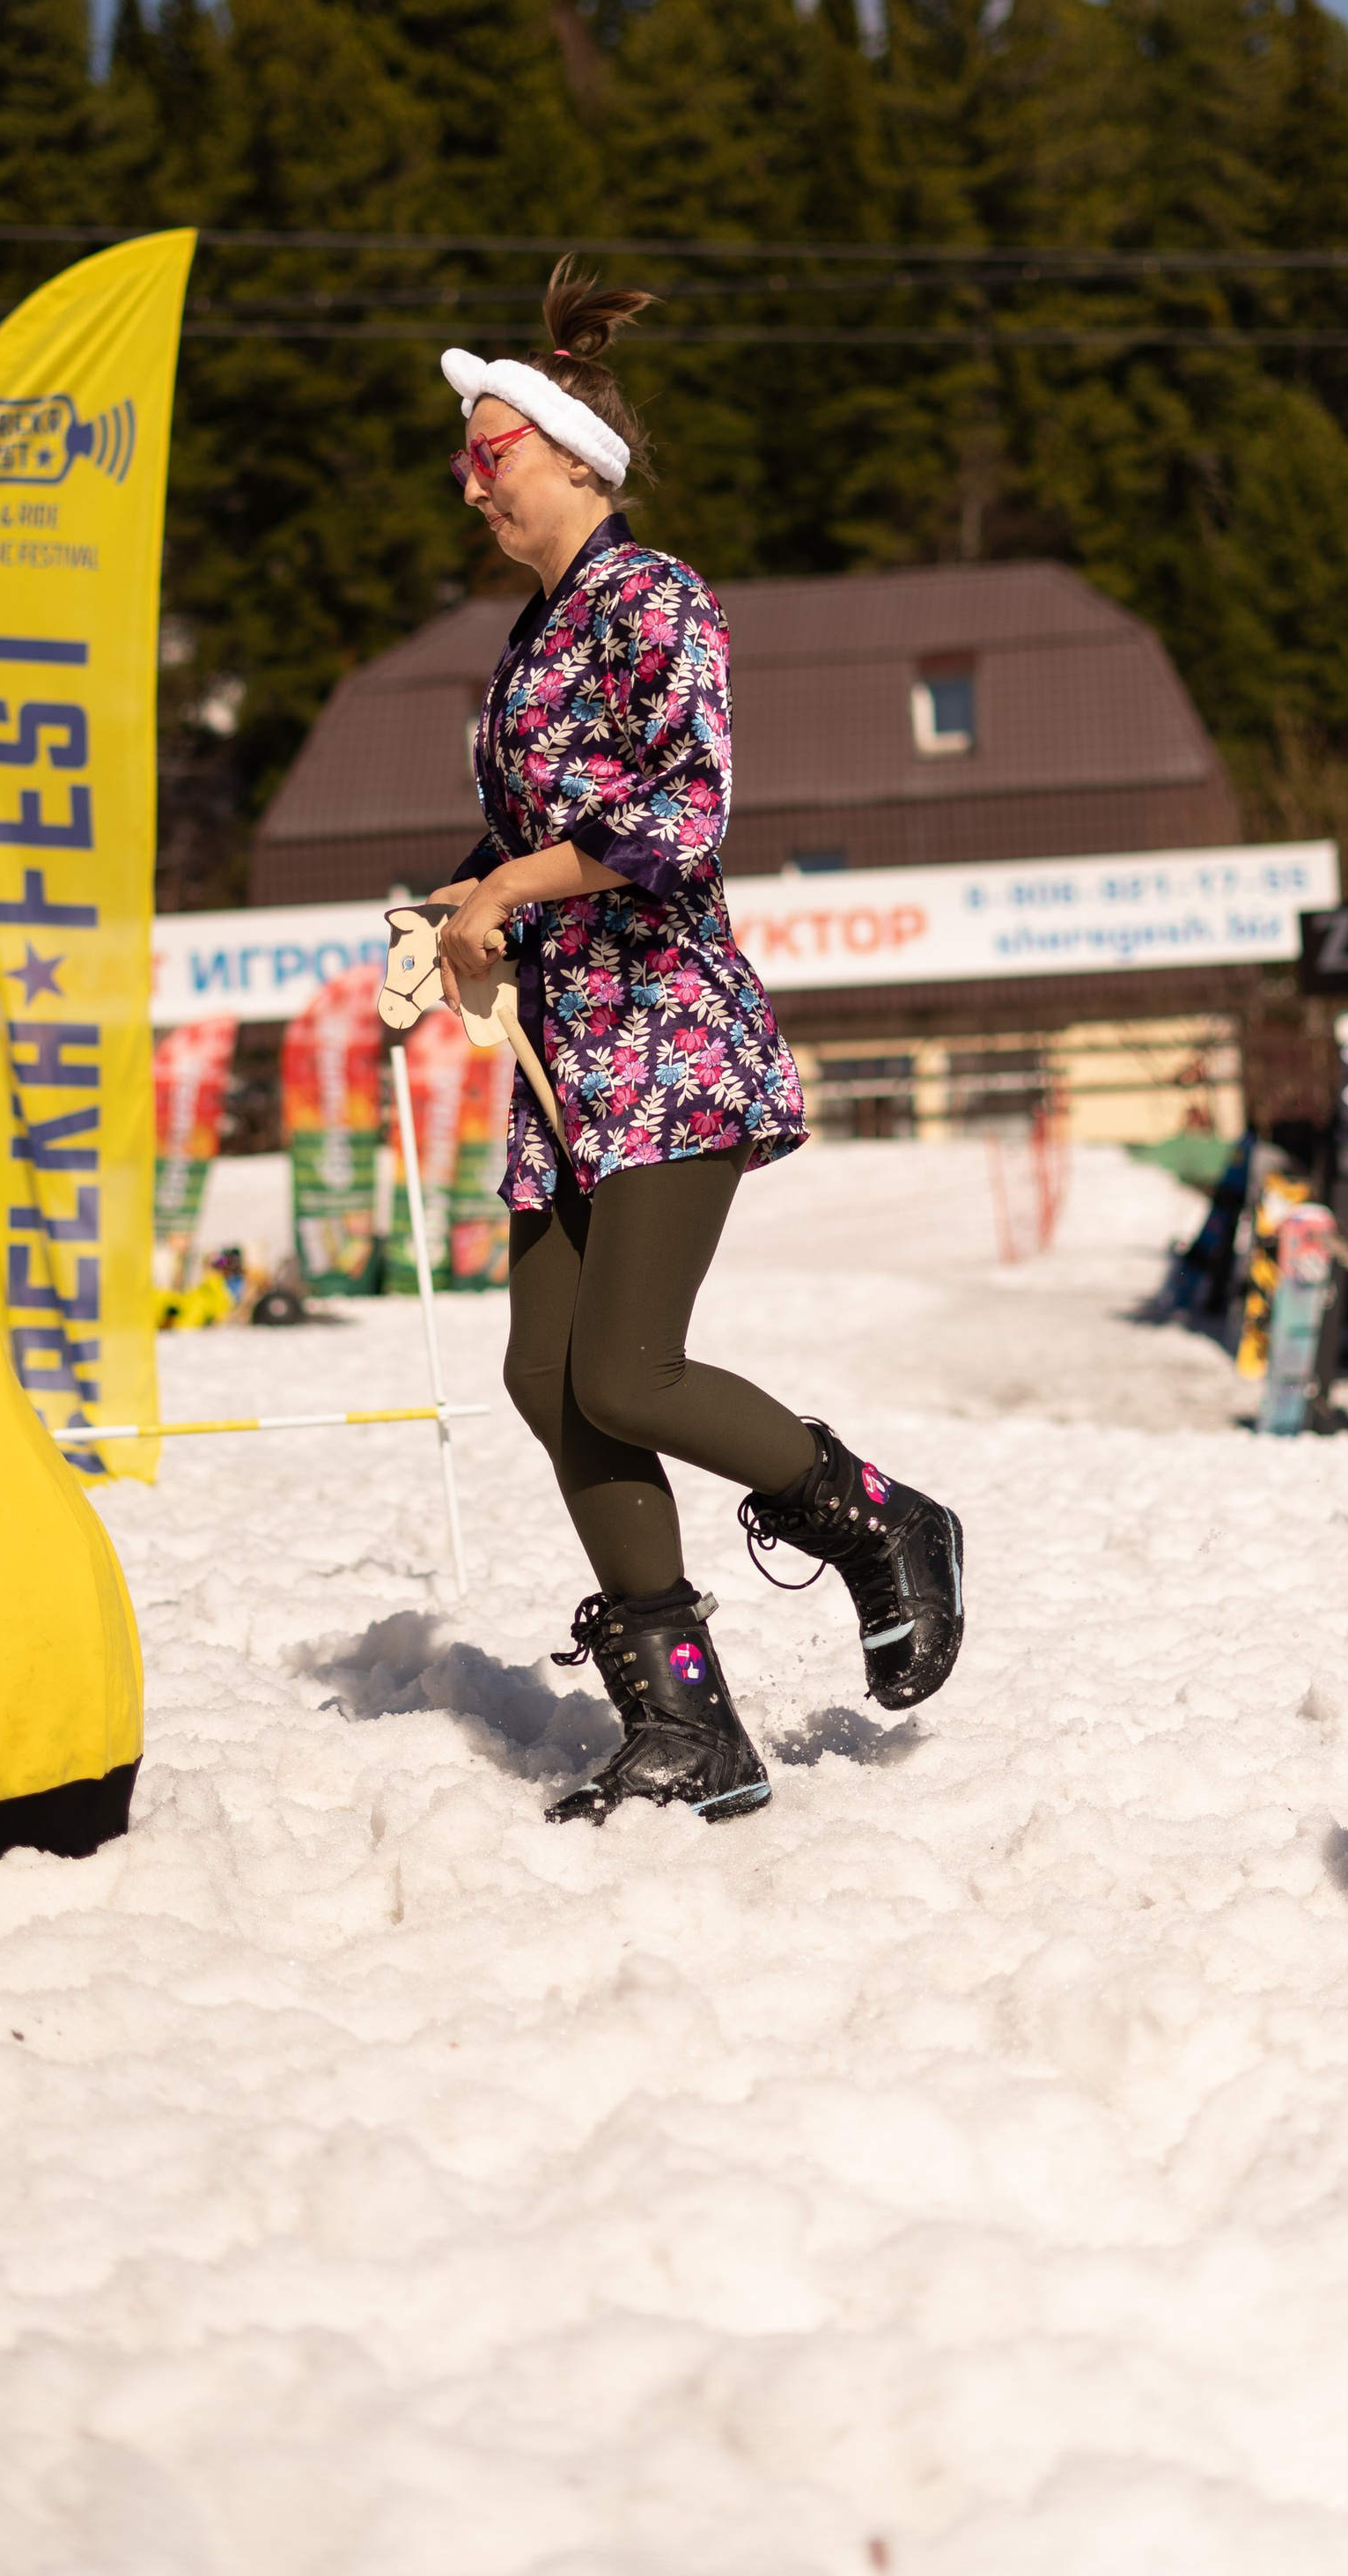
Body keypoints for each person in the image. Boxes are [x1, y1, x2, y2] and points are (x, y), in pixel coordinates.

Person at [426, 262, 965, 1827]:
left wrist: (519, 880)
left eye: (488, 453)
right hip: (565, 1048)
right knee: (550, 1375)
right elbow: (529, 819)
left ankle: (879, 1519)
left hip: (662, 1027)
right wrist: (463, 893)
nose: (470, 484)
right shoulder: (533, 636)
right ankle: (686, 1725)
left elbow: (684, 811)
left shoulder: (653, 597)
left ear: (571, 457)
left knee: (630, 1368)